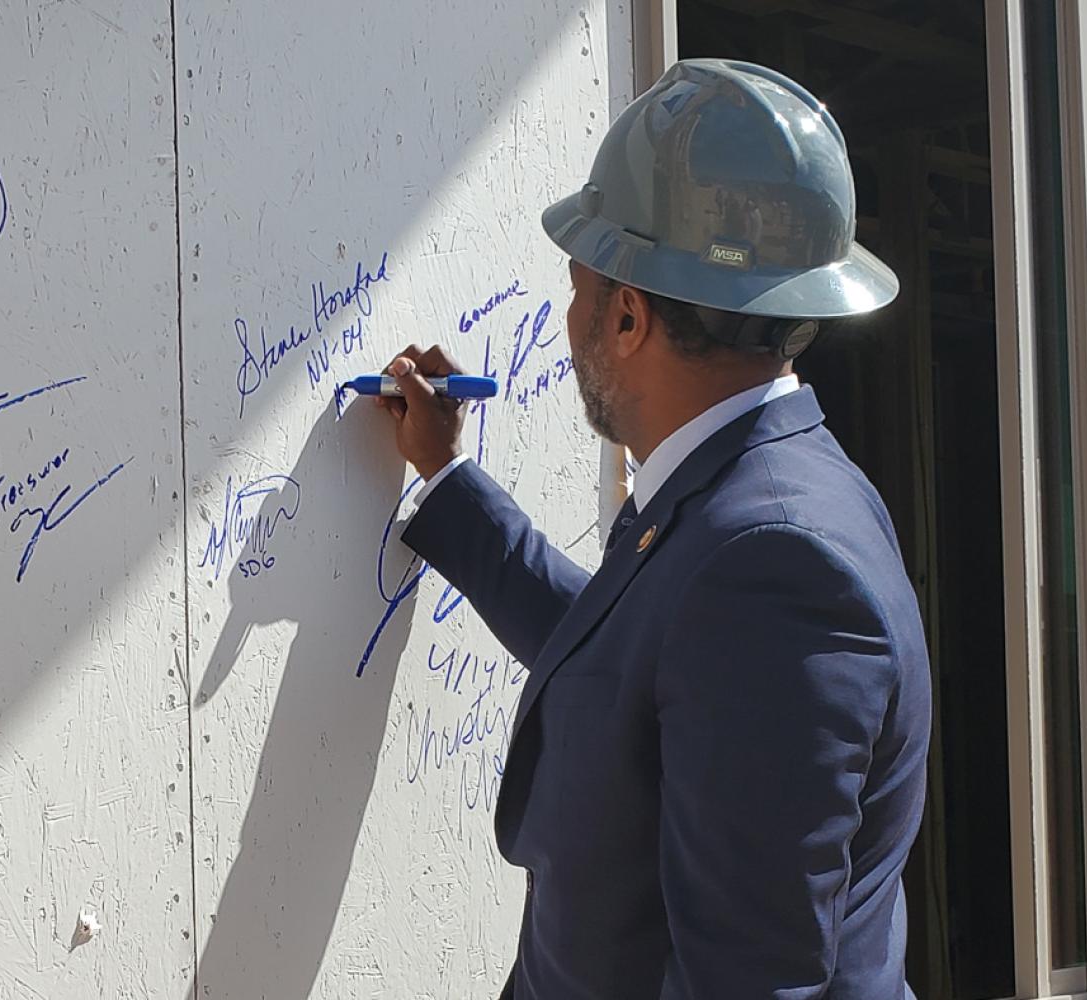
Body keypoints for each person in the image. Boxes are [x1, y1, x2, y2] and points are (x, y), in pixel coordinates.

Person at [374, 59, 930, 999]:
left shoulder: (774, 564)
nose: (567, 315)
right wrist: (450, 478)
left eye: (578, 284)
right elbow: (621, 658)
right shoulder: (749, 489)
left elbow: (747, 981)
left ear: (627, 314)